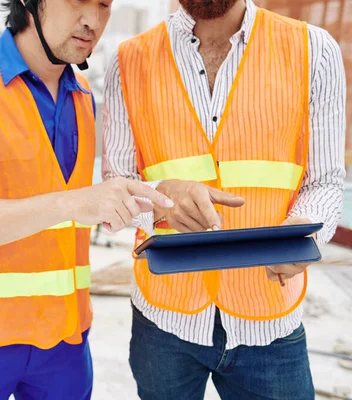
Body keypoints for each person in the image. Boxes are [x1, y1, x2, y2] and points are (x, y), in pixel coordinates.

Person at [0, 0, 178, 398]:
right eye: (78, 1)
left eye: (104, 5)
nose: (93, 21)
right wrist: (73, 203)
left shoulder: (84, 95)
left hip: (63, 341)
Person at [103, 0, 346, 398]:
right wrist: (162, 198)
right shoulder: (128, 61)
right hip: (163, 318)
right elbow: (118, 180)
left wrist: (300, 239)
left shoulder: (313, 49)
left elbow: (326, 181)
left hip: (268, 319)